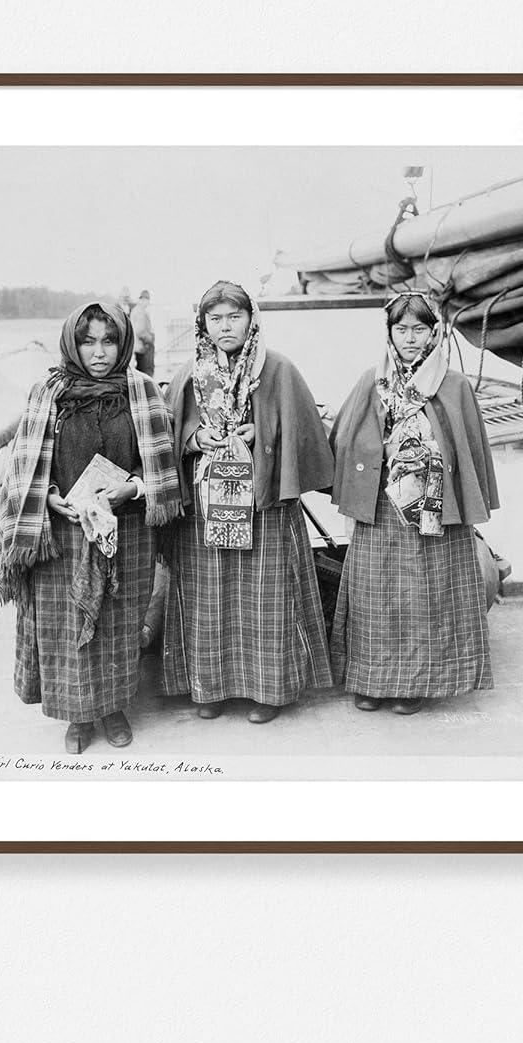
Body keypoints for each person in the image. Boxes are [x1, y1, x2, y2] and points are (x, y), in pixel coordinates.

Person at [0, 301, 181, 754]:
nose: (99, 352)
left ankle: (113, 708)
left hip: (125, 531)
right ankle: (76, 716)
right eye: (88, 341)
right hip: (62, 532)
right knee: (64, 625)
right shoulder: (47, 392)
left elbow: (162, 467)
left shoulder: (143, 392)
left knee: (117, 623)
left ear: (124, 343)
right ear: (72, 344)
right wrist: (50, 495)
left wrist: (130, 490)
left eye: (109, 341)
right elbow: (26, 466)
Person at [157, 280, 335, 723]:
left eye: (234, 317)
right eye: (214, 319)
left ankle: (268, 691)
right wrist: (196, 437)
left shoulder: (277, 368)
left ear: (251, 319)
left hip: (263, 502)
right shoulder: (189, 374)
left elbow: (303, 430)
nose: (224, 327)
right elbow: (167, 434)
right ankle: (209, 687)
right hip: (204, 507)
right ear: (203, 324)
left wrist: (262, 435)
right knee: (206, 596)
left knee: (266, 595)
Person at [327, 291, 498, 714]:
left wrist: (426, 452)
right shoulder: (373, 380)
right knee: (374, 591)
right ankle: (370, 680)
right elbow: (346, 438)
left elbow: (468, 447)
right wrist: (379, 450)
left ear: (434, 333)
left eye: (418, 329)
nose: (409, 338)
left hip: (433, 505)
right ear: (389, 333)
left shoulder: (453, 384)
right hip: (381, 502)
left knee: (423, 591)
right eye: (400, 329)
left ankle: (416, 682)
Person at [131, 289, 156, 376]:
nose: (148, 303)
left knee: (141, 373)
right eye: (146, 300)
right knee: (147, 374)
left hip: (140, 348)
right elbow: (140, 332)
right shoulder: (139, 312)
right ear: (141, 300)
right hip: (144, 348)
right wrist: (151, 340)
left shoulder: (137, 311)